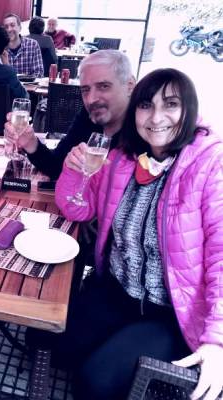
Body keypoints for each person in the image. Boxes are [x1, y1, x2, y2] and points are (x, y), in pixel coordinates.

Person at [50, 68, 223, 399]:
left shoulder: (210, 164)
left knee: (94, 383)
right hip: (117, 290)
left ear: (188, 108)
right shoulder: (123, 159)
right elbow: (78, 210)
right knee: (52, 343)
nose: (156, 117)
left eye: (170, 104)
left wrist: (217, 341)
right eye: (146, 105)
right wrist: (73, 171)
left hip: (170, 311)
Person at [5, 50, 135, 180]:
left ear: (130, 86)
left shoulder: (141, 133)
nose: (91, 99)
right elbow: (56, 166)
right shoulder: (88, 117)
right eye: (85, 90)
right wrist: (30, 143)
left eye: (103, 86)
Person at [2, 13, 44, 78]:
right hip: (7, 84)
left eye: (12, 25)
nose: (9, 29)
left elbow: (39, 73)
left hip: (29, 84)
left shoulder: (32, 45)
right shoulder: (0, 48)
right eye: (6, 27)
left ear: (20, 28)